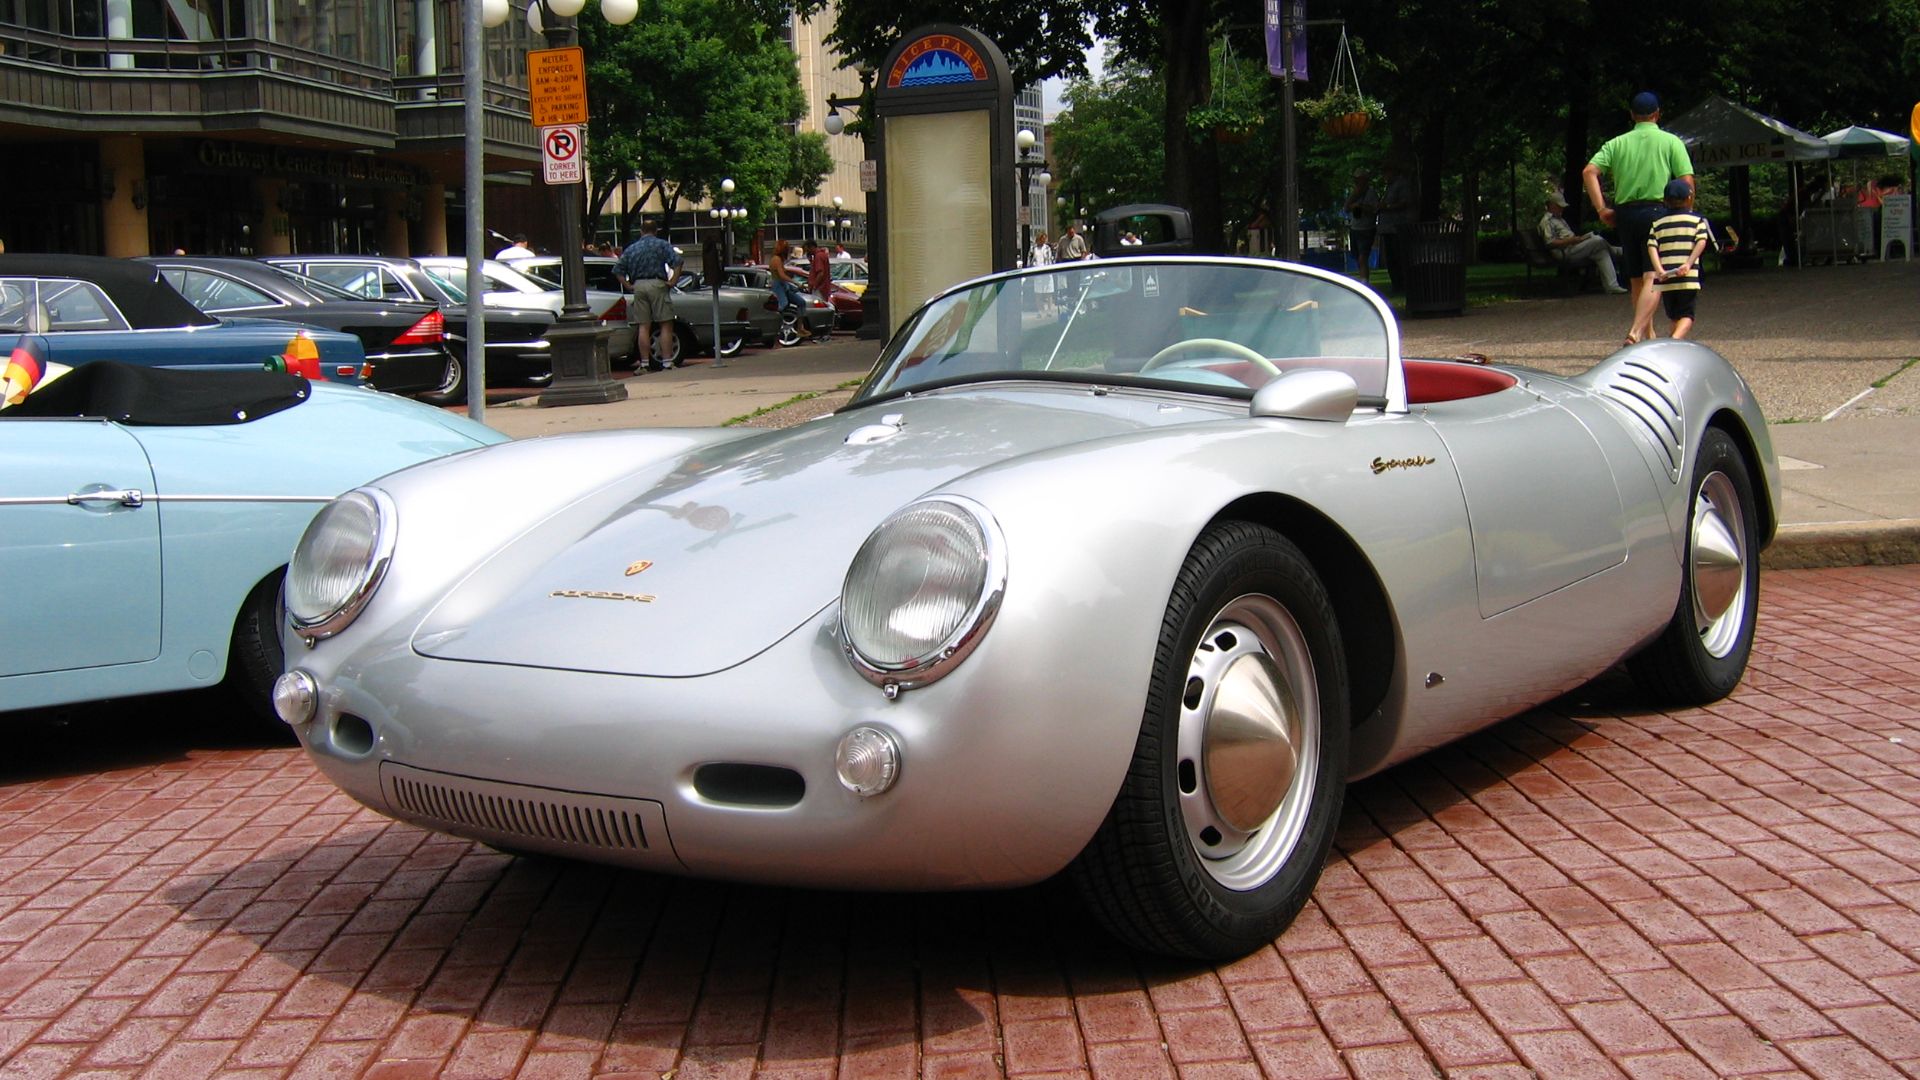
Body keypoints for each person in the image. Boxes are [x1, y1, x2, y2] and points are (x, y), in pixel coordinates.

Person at [1582, 91, 1693, 345]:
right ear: (1657, 114)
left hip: (1626, 213)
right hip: (1658, 211)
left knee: (1635, 279)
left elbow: (1589, 171)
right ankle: (1636, 331)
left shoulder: (1617, 143)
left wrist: (1602, 209)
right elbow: (1686, 181)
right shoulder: (1671, 141)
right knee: (1654, 275)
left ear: (1632, 115)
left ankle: (1648, 336)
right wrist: (1686, 215)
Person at [1646, 178, 1710, 340]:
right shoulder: (1697, 220)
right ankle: (1673, 341)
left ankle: (1675, 342)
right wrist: (1688, 263)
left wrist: (1659, 269)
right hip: (1687, 276)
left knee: (1674, 315)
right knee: (1687, 315)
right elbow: (1701, 241)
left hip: (1666, 275)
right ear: (1689, 199)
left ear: (1665, 200)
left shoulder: (1658, 223)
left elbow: (1652, 246)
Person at [615, 220, 682, 371]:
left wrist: (628, 285)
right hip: (657, 284)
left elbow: (618, 269)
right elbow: (677, 262)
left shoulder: (632, 248)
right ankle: (667, 362)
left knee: (643, 326)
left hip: (638, 285)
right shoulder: (662, 245)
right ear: (656, 230)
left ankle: (644, 363)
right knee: (666, 323)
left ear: (641, 231)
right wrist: (673, 281)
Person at [1539, 191, 1627, 293]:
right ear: (1552, 205)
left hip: (1573, 247)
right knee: (1597, 241)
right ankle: (1616, 251)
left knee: (1600, 251)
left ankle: (1612, 286)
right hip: (1564, 252)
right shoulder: (1547, 221)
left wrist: (1579, 239)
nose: (1562, 209)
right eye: (1559, 206)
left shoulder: (1560, 219)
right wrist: (1571, 240)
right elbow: (1549, 243)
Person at [1375, 159, 1416, 294]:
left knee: (1398, 257)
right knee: (1391, 259)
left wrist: (1386, 207)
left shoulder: (1401, 184)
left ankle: (1402, 285)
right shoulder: (1389, 187)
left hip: (1396, 228)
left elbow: (1405, 202)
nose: (1384, 176)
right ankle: (1396, 284)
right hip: (1388, 229)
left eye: (1385, 173)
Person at [768, 239, 816, 343]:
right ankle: (774, 328)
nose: (788, 251)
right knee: (783, 305)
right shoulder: (776, 259)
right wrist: (796, 283)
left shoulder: (779, 259)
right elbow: (781, 275)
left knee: (801, 302)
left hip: (783, 285)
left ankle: (800, 328)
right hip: (778, 285)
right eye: (787, 248)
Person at [1345, 168, 1379, 281]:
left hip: (1366, 229)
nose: (1357, 182)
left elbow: (1375, 209)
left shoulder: (1371, 193)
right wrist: (1353, 203)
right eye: (1356, 179)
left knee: (1362, 257)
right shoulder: (1354, 193)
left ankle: (1364, 281)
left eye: (1359, 179)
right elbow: (1346, 208)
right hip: (1355, 228)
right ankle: (1363, 277)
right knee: (1357, 256)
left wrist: (1361, 207)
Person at [1030, 231, 1056, 315]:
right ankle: (1040, 311)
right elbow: (1030, 260)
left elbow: (1050, 259)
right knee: (1038, 293)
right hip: (1037, 273)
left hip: (1047, 272)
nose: (1044, 241)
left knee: (1049, 292)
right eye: (1042, 239)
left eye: (1045, 239)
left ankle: (1049, 310)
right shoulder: (1033, 248)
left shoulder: (1047, 248)